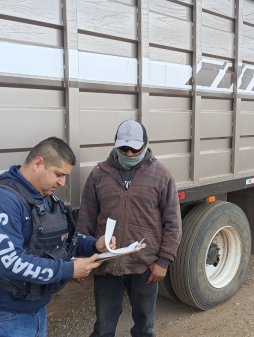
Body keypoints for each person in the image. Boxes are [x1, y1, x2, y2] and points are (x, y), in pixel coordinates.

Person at [0, 137, 113, 337]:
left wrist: (95, 246)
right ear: (38, 163)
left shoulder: (44, 199)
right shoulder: (0, 202)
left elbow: (63, 240)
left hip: (34, 312)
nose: (63, 182)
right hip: (1, 318)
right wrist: (69, 269)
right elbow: (10, 262)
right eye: (59, 174)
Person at [77, 119, 182, 337]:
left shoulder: (161, 175)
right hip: (107, 265)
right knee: (103, 327)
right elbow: (85, 219)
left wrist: (163, 262)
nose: (130, 153)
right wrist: (81, 258)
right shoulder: (99, 174)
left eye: (135, 148)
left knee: (144, 327)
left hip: (144, 266)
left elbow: (172, 223)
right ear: (115, 145)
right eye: (124, 148)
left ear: (145, 144)